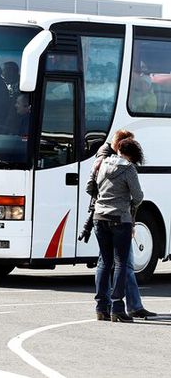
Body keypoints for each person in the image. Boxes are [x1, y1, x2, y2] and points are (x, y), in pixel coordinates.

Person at [79, 129, 156, 319]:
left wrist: (103, 199)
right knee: (121, 263)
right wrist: (126, 203)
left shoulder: (101, 163)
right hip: (119, 219)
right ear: (131, 153)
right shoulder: (129, 169)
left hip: (99, 218)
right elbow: (138, 196)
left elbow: (89, 187)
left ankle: (101, 308)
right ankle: (118, 308)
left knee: (104, 262)